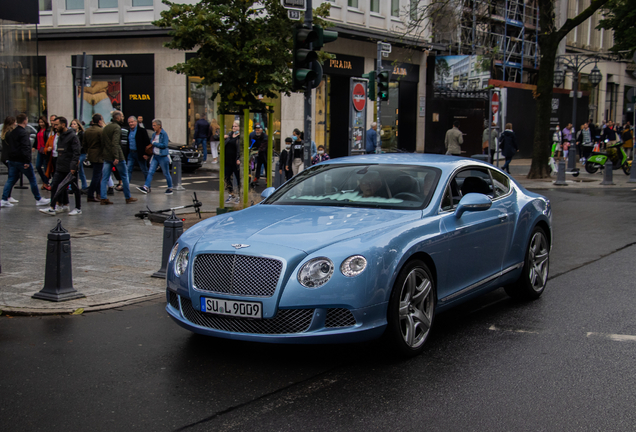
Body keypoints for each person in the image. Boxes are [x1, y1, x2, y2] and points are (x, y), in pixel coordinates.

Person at [1, 113, 51, 208]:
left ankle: (4, 199)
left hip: (13, 160)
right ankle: (38, 199)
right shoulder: (23, 133)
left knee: (10, 179)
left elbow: (11, 147)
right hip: (21, 161)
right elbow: (25, 148)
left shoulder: (13, 132)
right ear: (25, 121)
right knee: (32, 178)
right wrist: (27, 161)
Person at [39, 117, 82, 216]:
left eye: (56, 125)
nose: (54, 127)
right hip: (60, 166)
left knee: (75, 187)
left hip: (70, 167)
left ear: (63, 125)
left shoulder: (72, 136)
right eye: (54, 125)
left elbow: (76, 152)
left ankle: (78, 208)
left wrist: (73, 166)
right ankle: (52, 207)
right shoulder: (60, 136)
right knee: (54, 185)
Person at [99, 110, 137, 204]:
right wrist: (116, 156)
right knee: (124, 175)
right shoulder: (117, 128)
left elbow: (103, 142)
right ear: (118, 118)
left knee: (105, 177)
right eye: (122, 116)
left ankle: (103, 198)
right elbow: (115, 143)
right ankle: (128, 197)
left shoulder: (106, 127)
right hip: (117, 156)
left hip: (107, 156)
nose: (123, 118)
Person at [137, 119, 173, 195]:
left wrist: (155, 143)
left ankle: (170, 188)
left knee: (166, 173)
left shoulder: (164, 134)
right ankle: (146, 187)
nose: (153, 127)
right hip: (155, 156)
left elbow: (165, 145)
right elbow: (151, 143)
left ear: (159, 125)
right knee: (150, 171)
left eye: (154, 125)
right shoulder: (154, 134)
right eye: (152, 125)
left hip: (163, 156)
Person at [84, 114, 105, 203]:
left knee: (97, 174)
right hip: (99, 155)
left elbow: (84, 144)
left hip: (91, 154)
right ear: (99, 121)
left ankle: (98, 193)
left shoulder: (87, 131)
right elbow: (103, 144)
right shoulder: (100, 131)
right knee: (97, 176)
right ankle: (91, 194)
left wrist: (88, 151)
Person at [1, 116, 20, 206]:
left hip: (5, 157)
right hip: (9, 158)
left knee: (12, 176)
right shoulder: (10, 133)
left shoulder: (5, 133)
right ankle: (6, 197)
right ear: (12, 123)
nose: (16, 124)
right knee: (13, 177)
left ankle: (8, 196)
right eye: (15, 122)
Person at [126, 115, 150, 181]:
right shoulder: (129, 131)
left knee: (144, 170)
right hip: (131, 153)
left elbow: (147, 142)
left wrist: (146, 154)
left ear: (136, 121)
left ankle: (147, 185)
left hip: (140, 153)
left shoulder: (141, 130)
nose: (131, 124)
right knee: (128, 169)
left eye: (132, 122)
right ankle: (127, 186)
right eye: (129, 122)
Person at [223, 120, 242, 204]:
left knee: (238, 179)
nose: (234, 128)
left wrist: (239, 159)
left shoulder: (240, 137)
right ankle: (231, 194)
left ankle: (240, 196)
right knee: (226, 177)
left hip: (236, 161)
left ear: (239, 127)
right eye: (233, 126)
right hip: (227, 160)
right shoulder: (229, 135)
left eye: (236, 126)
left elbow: (241, 149)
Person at [34, 116, 51, 190]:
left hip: (45, 149)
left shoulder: (47, 130)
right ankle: (44, 181)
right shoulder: (39, 129)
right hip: (40, 149)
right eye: (39, 122)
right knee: (38, 166)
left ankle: (46, 182)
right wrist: (34, 146)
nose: (41, 124)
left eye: (42, 122)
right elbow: (36, 139)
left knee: (46, 167)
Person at [70, 119, 88, 192]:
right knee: (80, 171)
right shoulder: (71, 134)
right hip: (74, 154)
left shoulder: (81, 134)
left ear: (78, 125)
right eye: (72, 124)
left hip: (81, 153)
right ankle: (83, 186)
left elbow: (84, 144)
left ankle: (76, 186)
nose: (73, 125)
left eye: (74, 124)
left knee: (77, 167)